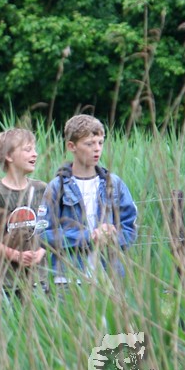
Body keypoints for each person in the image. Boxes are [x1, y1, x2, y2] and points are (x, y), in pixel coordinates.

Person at [41, 114, 137, 283]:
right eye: (89, 144)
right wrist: (87, 237)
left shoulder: (114, 184)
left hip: (109, 277)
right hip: (69, 278)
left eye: (100, 143)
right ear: (71, 146)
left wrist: (112, 236)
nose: (97, 149)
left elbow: (130, 228)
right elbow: (43, 234)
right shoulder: (57, 187)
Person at [0, 128, 49, 300]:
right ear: (9, 156)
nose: (35, 154)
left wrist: (42, 251)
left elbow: (51, 228)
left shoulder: (41, 189)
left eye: (34, 149)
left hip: (38, 279)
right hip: (6, 282)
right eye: (28, 149)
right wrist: (16, 256)